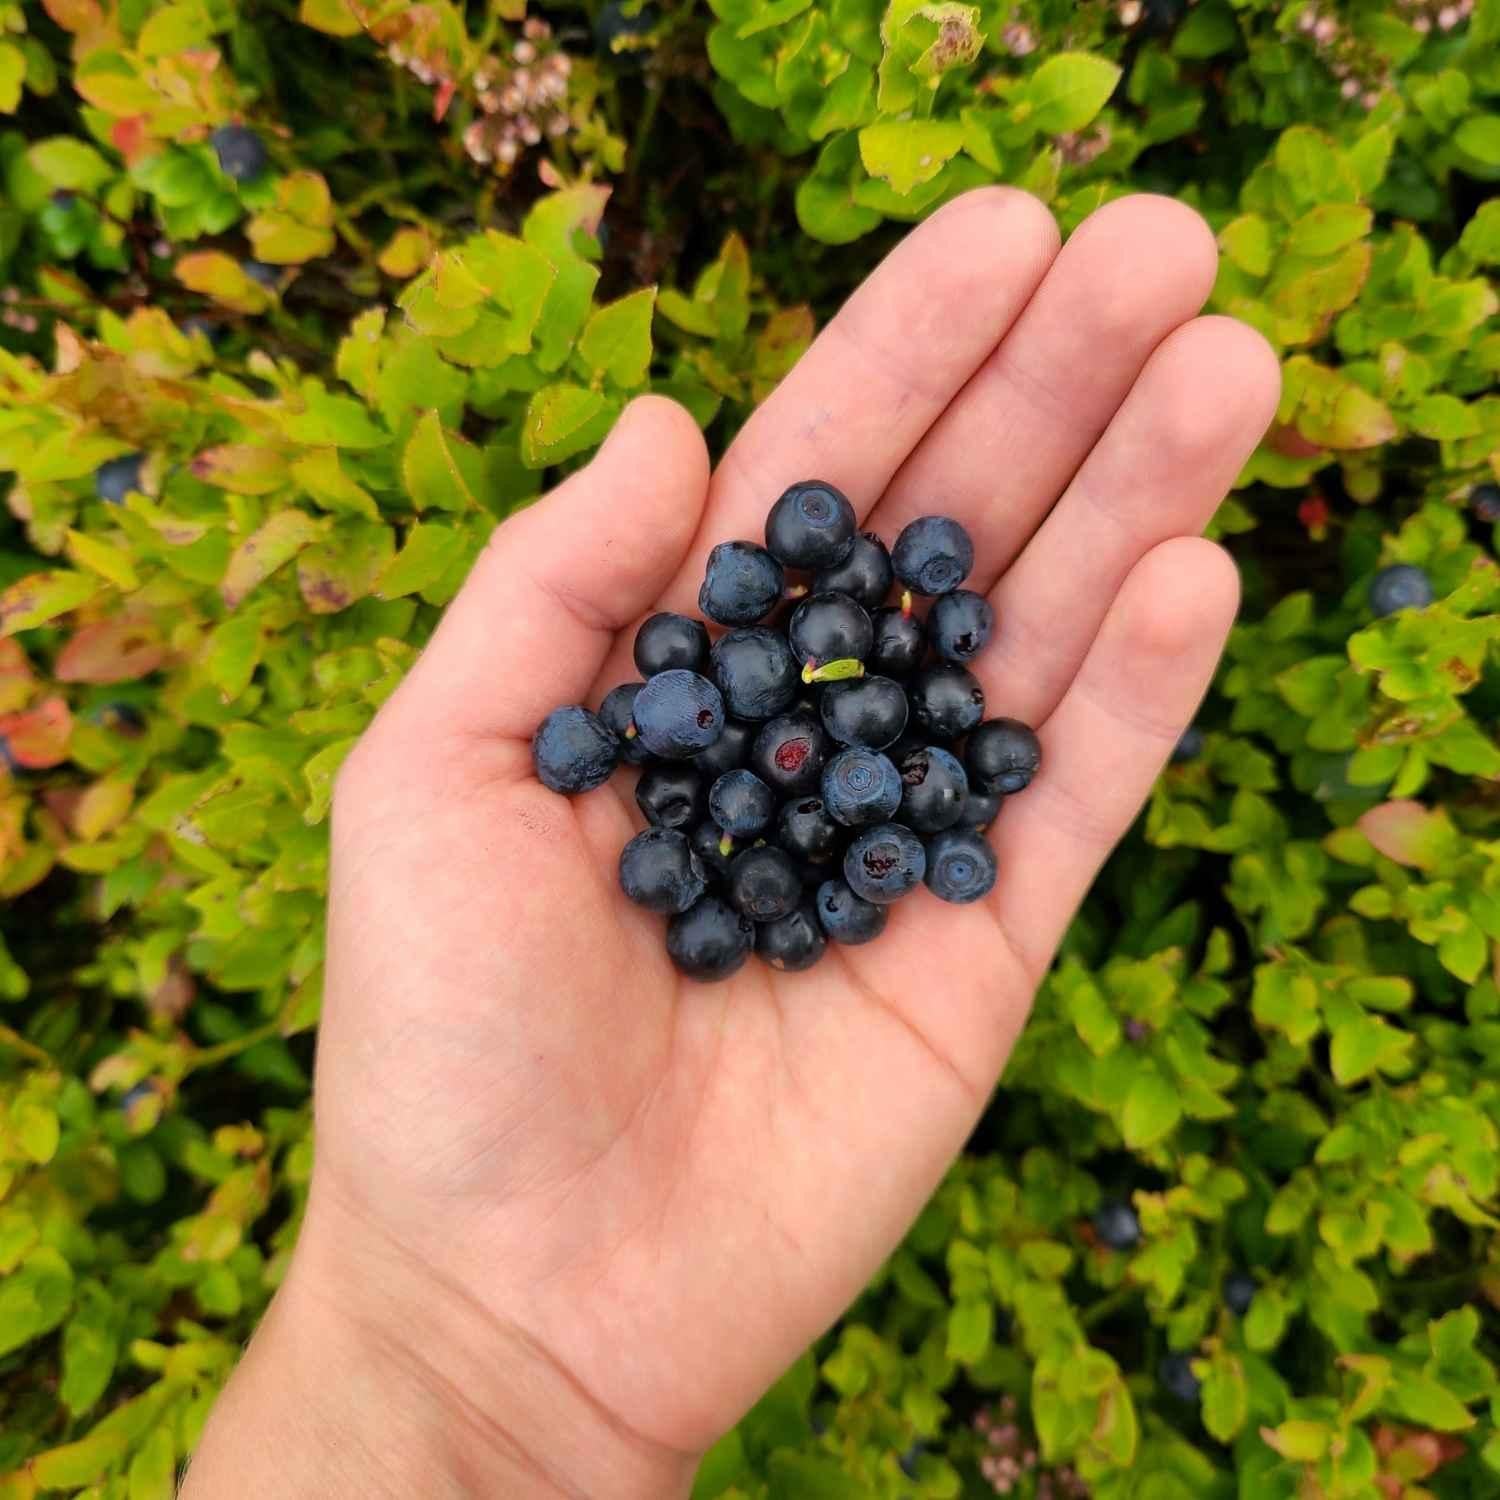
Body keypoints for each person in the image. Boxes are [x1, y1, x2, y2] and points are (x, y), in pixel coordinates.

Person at [180, 188, 1279, 1497]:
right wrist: (433, 1353)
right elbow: (771, 744)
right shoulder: (745, 731)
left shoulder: (824, 716)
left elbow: (830, 742)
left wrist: (441, 1374)